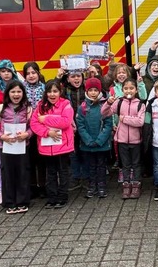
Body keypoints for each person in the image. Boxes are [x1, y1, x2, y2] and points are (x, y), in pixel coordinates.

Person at [0, 80, 32, 214]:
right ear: (8, 93)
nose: (16, 94)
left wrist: (27, 134)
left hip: (23, 146)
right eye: (13, 91)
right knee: (7, 174)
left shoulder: (28, 109)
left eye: (19, 91)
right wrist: (1, 136)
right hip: (6, 147)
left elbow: (33, 127)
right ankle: (9, 202)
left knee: (22, 173)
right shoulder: (1, 109)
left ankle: (22, 201)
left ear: (23, 93)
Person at [31, 79, 75, 208]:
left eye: (55, 91)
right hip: (46, 146)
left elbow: (65, 122)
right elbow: (34, 123)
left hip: (63, 146)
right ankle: (52, 197)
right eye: (49, 91)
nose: (52, 94)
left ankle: (62, 196)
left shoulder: (66, 104)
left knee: (63, 172)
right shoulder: (40, 106)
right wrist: (46, 132)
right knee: (50, 173)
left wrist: (46, 119)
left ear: (60, 92)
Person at [103, 78, 145, 199]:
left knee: (136, 164)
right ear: (122, 90)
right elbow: (104, 113)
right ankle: (126, 186)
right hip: (121, 140)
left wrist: (124, 119)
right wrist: (108, 103)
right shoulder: (119, 102)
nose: (129, 91)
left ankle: (136, 186)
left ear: (136, 90)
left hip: (136, 140)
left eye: (131, 88)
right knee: (125, 165)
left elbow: (140, 122)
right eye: (126, 88)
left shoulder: (140, 104)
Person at [77, 78, 113, 199]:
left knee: (101, 165)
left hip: (101, 144)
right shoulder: (82, 107)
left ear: (99, 91)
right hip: (88, 144)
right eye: (90, 90)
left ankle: (102, 186)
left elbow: (108, 124)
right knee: (90, 166)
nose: (93, 93)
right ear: (86, 91)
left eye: (95, 90)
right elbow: (80, 126)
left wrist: (100, 140)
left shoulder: (105, 105)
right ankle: (92, 186)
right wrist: (88, 140)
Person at [23, 62, 46, 198]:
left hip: (42, 128)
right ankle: (32, 187)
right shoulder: (20, 88)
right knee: (29, 159)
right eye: (28, 73)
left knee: (42, 159)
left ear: (38, 73)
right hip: (25, 129)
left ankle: (43, 186)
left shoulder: (44, 88)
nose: (31, 76)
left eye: (33, 72)